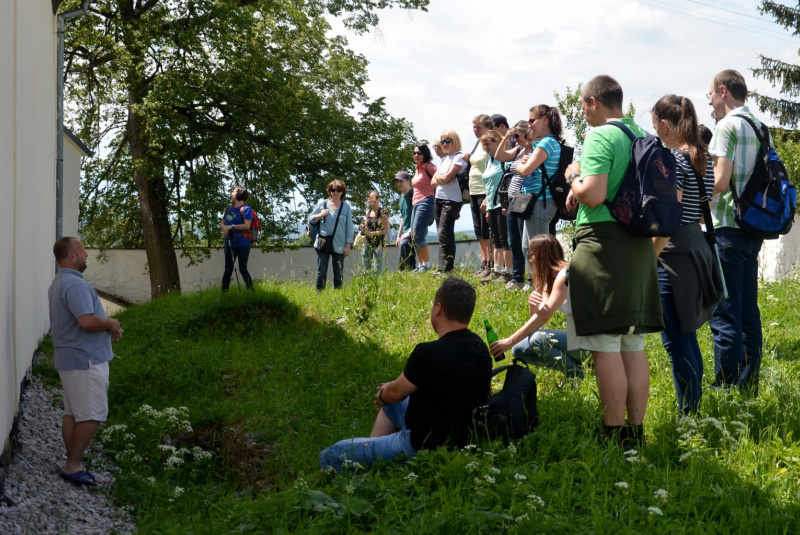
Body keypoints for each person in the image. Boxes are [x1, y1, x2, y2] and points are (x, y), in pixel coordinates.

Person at [563, 75, 663, 445]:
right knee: (632, 345)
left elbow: (593, 194)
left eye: (583, 106)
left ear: (593, 101)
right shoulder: (644, 135)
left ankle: (613, 434)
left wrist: (574, 176)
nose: (583, 114)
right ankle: (635, 434)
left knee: (605, 344)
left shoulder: (600, 135)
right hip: (639, 245)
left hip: (604, 246)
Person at [319, 277, 492, 473]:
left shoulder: (429, 352)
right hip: (463, 443)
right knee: (392, 399)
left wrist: (383, 393)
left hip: (420, 446)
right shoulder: (481, 349)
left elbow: (395, 393)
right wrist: (389, 392)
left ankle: (361, 465)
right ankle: (372, 461)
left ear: (438, 308)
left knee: (333, 454)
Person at [651, 94, 719, 415]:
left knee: (676, 342)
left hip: (673, 257)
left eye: (655, 126)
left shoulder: (674, 161)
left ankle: (688, 416)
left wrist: (648, 259)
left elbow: (669, 218)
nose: (655, 132)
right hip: (695, 249)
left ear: (665, 125)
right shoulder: (700, 156)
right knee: (687, 336)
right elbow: (699, 212)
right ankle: (694, 410)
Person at [707, 69, 768, 395]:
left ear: (722, 91)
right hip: (753, 228)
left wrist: (690, 192)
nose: (710, 102)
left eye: (710, 95)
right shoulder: (761, 127)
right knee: (747, 312)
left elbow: (719, 182)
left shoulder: (726, 126)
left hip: (727, 226)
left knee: (725, 312)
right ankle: (748, 387)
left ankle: (725, 390)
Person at [49, 237, 122, 487]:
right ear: (71, 256)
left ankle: (73, 463)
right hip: (85, 360)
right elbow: (86, 321)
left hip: (71, 359)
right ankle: (72, 465)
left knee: (73, 413)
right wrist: (111, 323)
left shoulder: (59, 282)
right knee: (92, 414)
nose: (86, 255)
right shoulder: (75, 284)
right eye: (82, 251)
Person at [490, 234, 587, 378]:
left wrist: (509, 341)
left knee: (537, 340)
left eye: (531, 254)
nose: (530, 259)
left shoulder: (565, 275)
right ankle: (576, 369)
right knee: (519, 349)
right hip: (577, 340)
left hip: (593, 342)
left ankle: (576, 377)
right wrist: (533, 305)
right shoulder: (550, 281)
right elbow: (538, 320)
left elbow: (544, 315)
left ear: (542, 255)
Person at [494, 120, 534, 288]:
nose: (515, 139)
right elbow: (499, 156)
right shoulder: (518, 150)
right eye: (514, 136)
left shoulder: (534, 150)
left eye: (517, 135)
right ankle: (517, 278)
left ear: (526, 133)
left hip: (525, 198)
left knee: (526, 241)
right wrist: (506, 138)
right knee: (514, 240)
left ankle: (532, 278)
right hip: (512, 200)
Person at [516, 105, 565, 239]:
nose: (529, 125)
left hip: (541, 203)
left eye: (532, 121)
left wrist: (519, 166)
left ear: (545, 121)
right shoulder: (550, 141)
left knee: (539, 249)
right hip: (538, 202)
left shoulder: (546, 143)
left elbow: (525, 171)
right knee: (529, 248)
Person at [479, 130, 513, 286]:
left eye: (488, 143)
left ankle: (509, 272)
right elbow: (489, 186)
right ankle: (497, 270)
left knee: (505, 238)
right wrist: (487, 203)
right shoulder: (489, 161)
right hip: (491, 205)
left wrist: (506, 204)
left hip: (502, 204)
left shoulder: (505, 160)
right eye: (484, 144)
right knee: (496, 238)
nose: (486, 147)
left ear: (498, 142)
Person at [308, 180, 355, 291]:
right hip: (323, 242)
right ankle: (320, 294)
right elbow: (311, 219)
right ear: (329, 191)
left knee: (338, 272)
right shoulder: (323, 204)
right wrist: (321, 214)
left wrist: (348, 245)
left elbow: (349, 227)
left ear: (342, 192)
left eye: (338, 190)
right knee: (322, 271)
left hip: (339, 243)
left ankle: (338, 294)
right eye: (333, 190)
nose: (335, 192)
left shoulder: (346, 207)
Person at [431, 130, 466, 274]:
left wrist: (440, 178)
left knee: (443, 232)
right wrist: (442, 178)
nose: (444, 144)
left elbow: (448, 178)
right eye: (442, 142)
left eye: (447, 141)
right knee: (444, 233)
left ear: (454, 140)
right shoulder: (444, 159)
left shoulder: (459, 157)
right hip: (439, 198)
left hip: (452, 199)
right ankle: (445, 266)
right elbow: (433, 182)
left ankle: (447, 266)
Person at [463, 115, 494, 277]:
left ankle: (491, 265)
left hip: (485, 190)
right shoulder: (478, 144)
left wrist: (489, 196)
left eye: (478, 127)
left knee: (487, 229)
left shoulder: (491, 144)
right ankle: (484, 263)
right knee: (479, 230)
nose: (475, 130)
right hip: (474, 192)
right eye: (474, 127)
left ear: (488, 128)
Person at [220, 185, 254, 291]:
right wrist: (223, 227)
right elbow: (222, 223)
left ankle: (251, 291)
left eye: (233, 192)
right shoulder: (229, 209)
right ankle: (224, 294)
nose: (231, 193)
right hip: (230, 242)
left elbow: (247, 225)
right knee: (228, 270)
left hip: (243, 243)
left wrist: (232, 226)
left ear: (240, 194)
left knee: (242, 269)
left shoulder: (246, 209)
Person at [410, 144, 437, 273]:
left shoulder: (429, 167)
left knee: (418, 234)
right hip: (416, 203)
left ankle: (426, 265)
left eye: (419, 153)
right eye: (414, 153)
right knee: (414, 235)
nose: (416, 155)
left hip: (426, 201)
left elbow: (441, 179)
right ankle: (421, 265)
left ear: (425, 154)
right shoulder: (417, 168)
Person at [361, 190, 390, 273]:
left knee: (377, 270)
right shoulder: (368, 212)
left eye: (376, 197)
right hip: (367, 243)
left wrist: (372, 233)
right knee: (366, 270)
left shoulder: (383, 213)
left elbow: (386, 230)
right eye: (371, 197)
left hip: (378, 244)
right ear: (368, 199)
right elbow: (366, 227)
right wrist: (362, 228)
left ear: (379, 199)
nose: (374, 199)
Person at [393, 171, 416, 271]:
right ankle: (411, 272)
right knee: (410, 255)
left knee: (404, 244)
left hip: (415, 229)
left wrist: (410, 231)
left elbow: (418, 215)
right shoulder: (401, 198)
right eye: (397, 182)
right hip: (406, 232)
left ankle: (403, 272)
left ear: (408, 181)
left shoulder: (414, 194)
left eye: (401, 181)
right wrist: (398, 235)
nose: (398, 184)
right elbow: (403, 217)